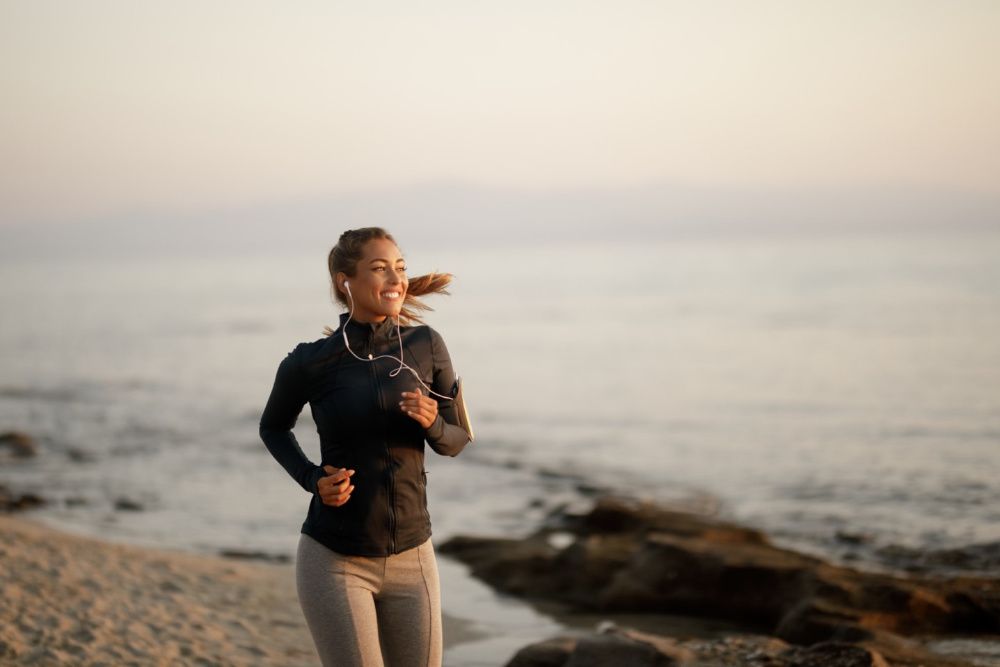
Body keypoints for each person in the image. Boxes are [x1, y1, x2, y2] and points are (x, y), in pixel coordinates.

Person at [259, 227, 472, 667]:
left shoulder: (426, 345)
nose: (396, 279)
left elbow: (457, 439)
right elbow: (273, 427)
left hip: (414, 558)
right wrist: (312, 478)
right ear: (345, 281)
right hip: (336, 560)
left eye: (400, 268)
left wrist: (433, 423)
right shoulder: (311, 361)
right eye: (379, 269)